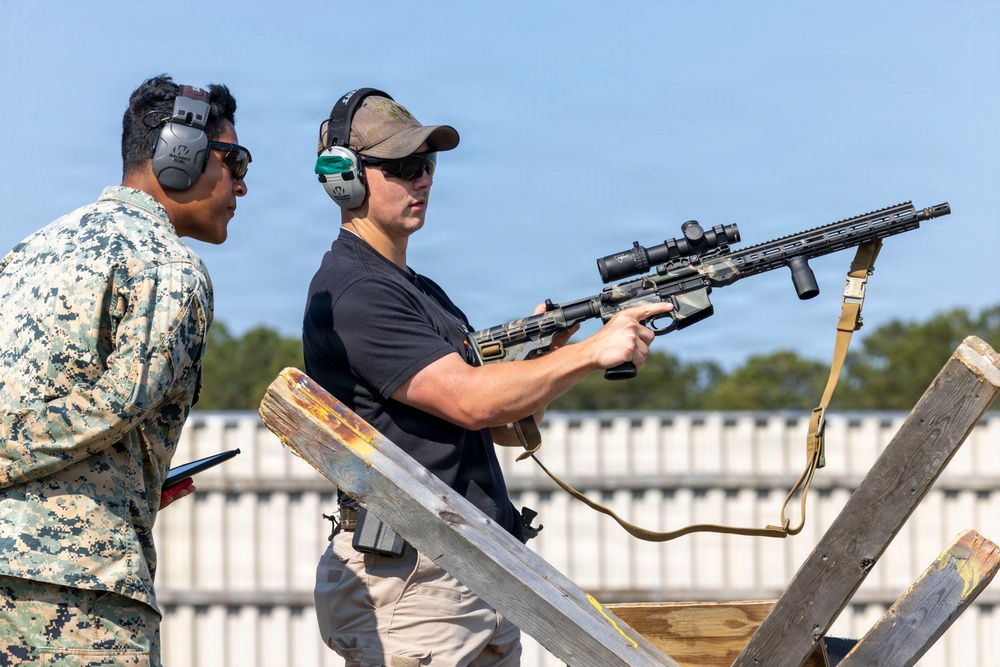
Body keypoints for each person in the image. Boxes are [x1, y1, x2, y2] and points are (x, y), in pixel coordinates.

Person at [303, 88, 670, 666]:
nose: (422, 179)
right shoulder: (359, 291)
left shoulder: (420, 291)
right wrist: (590, 352)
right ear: (344, 178)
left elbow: (503, 428)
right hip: (418, 581)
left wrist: (548, 357)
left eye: (426, 164)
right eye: (401, 166)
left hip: (468, 566)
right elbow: (471, 401)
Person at [0, 74, 250, 666]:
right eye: (233, 160)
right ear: (180, 157)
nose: (243, 182)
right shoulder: (169, 267)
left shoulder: (25, 253)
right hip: (79, 589)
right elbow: (115, 404)